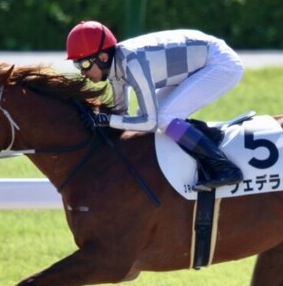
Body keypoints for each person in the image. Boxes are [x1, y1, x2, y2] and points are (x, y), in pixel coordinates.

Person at [65, 20, 244, 192]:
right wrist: (100, 121)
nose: (82, 72)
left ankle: (224, 168)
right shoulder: (114, 67)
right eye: (77, 64)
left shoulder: (132, 63)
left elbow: (149, 123)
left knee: (164, 117)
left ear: (103, 57)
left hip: (220, 64)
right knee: (144, 113)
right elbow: (121, 114)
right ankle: (206, 137)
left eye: (84, 63)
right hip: (196, 63)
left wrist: (106, 119)